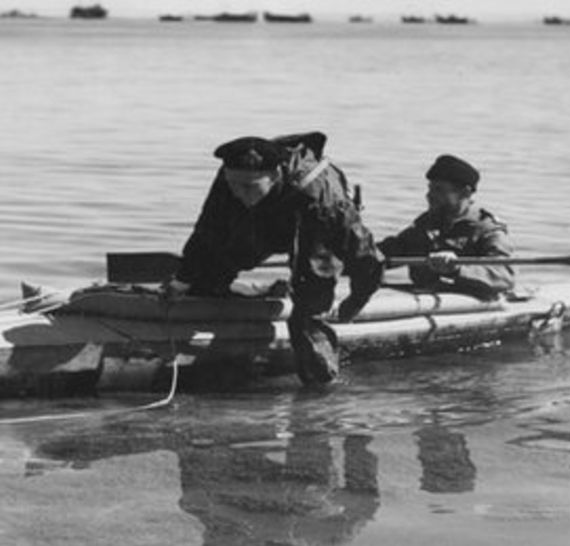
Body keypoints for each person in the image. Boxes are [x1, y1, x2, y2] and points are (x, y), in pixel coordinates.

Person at [163, 132, 383, 385]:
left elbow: (364, 260)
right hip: (266, 217)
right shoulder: (229, 181)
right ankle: (263, 294)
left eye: (249, 187)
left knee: (308, 312)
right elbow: (207, 232)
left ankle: (321, 390)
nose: (240, 194)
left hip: (315, 223)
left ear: (275, 176)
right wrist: (182, 280)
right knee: (207, 276)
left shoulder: (317, 196)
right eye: (235, 185)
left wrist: (353, 303)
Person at [378, 154, 514, 300]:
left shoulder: (487, 230)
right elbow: (389, 252)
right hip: (423, 300)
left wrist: (456, 269)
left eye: (439, 190)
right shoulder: (425, 225)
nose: (429, 196)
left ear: (465, 193)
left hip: (469, 307)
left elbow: (504, 276)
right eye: (430, 189)